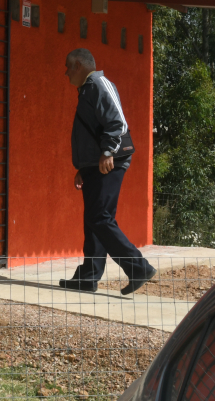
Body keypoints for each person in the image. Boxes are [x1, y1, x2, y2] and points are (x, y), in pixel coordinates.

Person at [61, 48, 156, 294]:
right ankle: (88, 277)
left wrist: (107, 152)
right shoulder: (87, 89)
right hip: (96, 164)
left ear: (79, 65)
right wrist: (83, 167)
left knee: (100, 218)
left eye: (68, 67)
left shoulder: (99, 83)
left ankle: (138, 267)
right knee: (93, 219)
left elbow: (118, 122)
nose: (66, 73)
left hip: (110, 161)